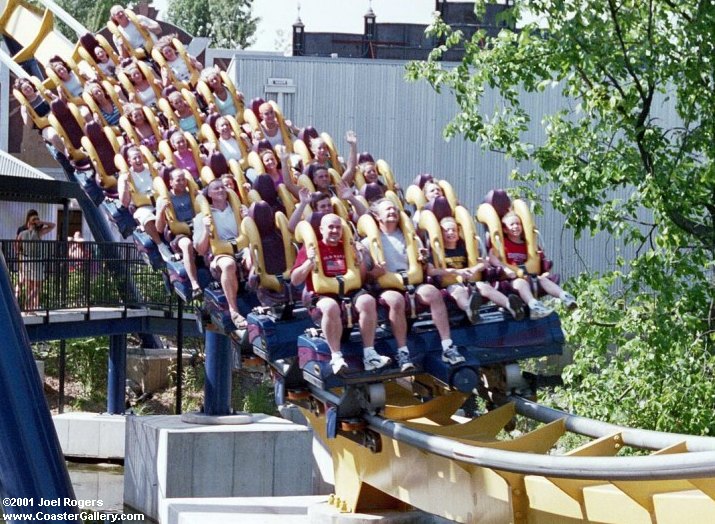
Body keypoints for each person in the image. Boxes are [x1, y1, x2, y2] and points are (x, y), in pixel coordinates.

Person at [359, 198, 466, 370]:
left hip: (413, 284)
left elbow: (424, 266)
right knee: (395, 300)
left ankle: (448, 347)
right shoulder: (367, 243)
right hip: (389, 287)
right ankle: (403, 352)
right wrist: (374, 274)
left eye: (394, 209)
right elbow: (365, 278)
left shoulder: (411, 238)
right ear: (376, 216)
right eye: (387, 210)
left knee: (433, 292)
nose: (393, 212)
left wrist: (423, 260)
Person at [291, 213, 390, 375]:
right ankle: (336, 356)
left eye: (338, 227)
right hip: (324, 293)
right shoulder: (310, 249)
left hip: (350, 290)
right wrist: (309, 262)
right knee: (330, 307)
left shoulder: (347, 247)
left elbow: (362, 277)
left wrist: (361, 258)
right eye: (331, 227)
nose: (335, 230)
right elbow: (295, 280)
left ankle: (370, 354)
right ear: (322, 229)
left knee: (367, 301)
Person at [426, 216, 525, 323]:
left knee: (485, 287)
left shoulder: (466, 249)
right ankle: (469, 309)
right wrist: (455, 271)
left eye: (454, 230)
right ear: (441, 234)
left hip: (469, 280)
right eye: (447, 231)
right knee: (459, 292)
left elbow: (485, 263)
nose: (451, 232)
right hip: (451, 283)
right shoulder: (436, 253)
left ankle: (511, 306)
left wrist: (473, 269)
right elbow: (431, 271)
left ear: (458, 233)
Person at [488, 211, 576, 316]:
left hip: (530, 277)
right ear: (505, 229)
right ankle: (534, 305)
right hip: (511, 280)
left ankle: (565, 297)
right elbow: (492, 257)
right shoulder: (502, 245)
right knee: (521, 283)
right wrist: (505, 268)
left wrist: (545, 271)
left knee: (543, 279)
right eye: (512, 224)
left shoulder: (529, 245)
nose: (516, 226)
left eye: (518, 223)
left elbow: (541, 260)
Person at [192, 179, 247, 328]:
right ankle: (234, 310)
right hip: (220, 254)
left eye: (223, 187)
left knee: (255, 256)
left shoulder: (237, 209)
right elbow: (200, 250)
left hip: (242, 248)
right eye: (216, 189)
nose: (221, 190)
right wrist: (206, 230)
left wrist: (248, 218)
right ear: (209, 194)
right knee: (228, 264)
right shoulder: (202, 217)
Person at [117, 146, 171, 260]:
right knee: (146, 217)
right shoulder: (126, 176)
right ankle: (160, 245)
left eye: (140, 157)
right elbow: (124, 203)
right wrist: (126, 185)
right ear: (129, 161)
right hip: (143, 206)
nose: (138, 160)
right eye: (135, 158)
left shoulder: (151, 168)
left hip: (159, 200)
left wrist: (161, 169)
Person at [155, 169, 202, 298]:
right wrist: (160, 211)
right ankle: (194, 284)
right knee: (187, 244)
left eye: (183, 179)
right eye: (178, 180)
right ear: (171, 182)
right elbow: (159, 228)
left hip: (197, 228)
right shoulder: (165, 199)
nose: (182, 183)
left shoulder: (192, 194)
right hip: (179, 234)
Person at [14, 79, 65, 154]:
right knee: (53, 136)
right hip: (46, 126)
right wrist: (28, 112)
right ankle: (70, 156)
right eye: (25, 89)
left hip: (58, 119)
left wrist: (51, 95)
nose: (28, 89)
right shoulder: (24, 106)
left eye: (28, 86)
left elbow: (60, 104)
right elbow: (29, 125)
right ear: (22, 93)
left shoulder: (42, 93)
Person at [17, 211, 55, 310]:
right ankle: (29, 303)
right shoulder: (39, 233)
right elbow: (53, 225)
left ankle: (29, 308)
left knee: (29, 286)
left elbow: (17, 247)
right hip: (36, 261)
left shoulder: (22, 233)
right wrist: (42, 221)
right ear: (35, 223)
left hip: (26, 260)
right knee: (37, 286)